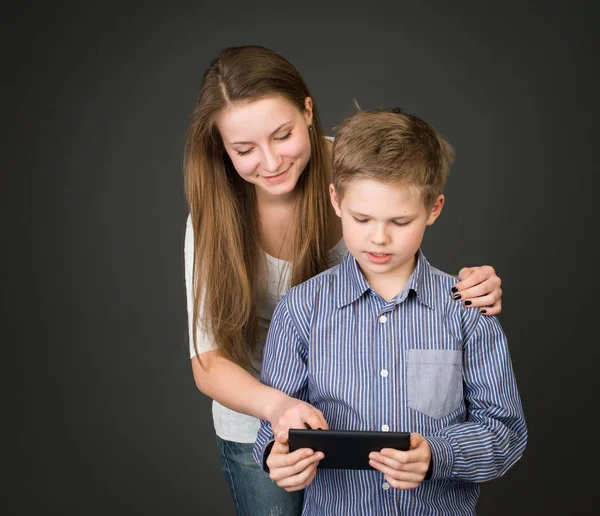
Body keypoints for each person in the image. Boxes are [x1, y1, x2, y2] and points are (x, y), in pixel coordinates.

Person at [184, 45, 504, 516]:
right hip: (258, 416)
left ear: (308, 112)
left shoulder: (355, 168)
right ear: (221, 147)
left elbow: (398, 260)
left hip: (364, 417)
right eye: (244, 149)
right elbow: (207, 359)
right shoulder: (214, 215)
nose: (270, 162)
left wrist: (470, 287)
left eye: (283, 135)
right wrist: (276, 412)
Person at [253, 108, 527, 515]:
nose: (378, 238)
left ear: (434, 209)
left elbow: (506, 434)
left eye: (400, 221)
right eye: (362, 218)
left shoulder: (467, 310)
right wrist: (276, 457)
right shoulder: (300, 310)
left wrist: (437, 454)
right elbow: (270, 430)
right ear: (336, 200)